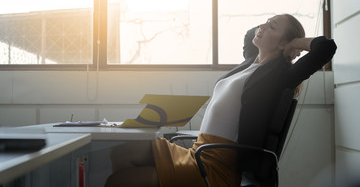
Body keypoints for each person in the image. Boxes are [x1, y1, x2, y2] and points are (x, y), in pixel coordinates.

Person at [104, 14, 337, 187]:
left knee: (119, 181)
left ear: (283, 43)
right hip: (197, 151)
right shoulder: (249, 63)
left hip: (215, 166)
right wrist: (272, 28)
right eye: (264, 22)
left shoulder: (278, 76)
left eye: (272, 26)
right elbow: (250, 34)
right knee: (120, 153)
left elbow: (326, 48)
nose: (262, 26)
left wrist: (294, 43)